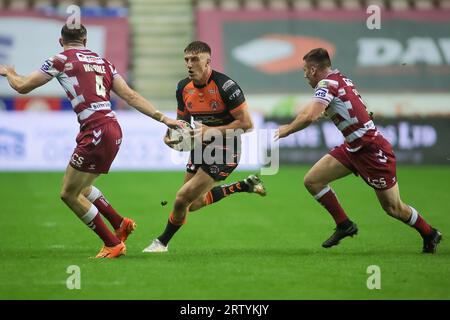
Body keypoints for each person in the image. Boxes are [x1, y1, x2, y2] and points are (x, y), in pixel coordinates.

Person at [0, 24, 178, 258]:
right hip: (113, 128)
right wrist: (163, 117)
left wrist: (10, 73)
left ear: (60, 41)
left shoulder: (60, 59)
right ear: (85, 41)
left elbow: (22, 86)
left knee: (69, 194)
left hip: (94, 129)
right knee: (82, 187)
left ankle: (112, 243)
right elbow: (131, 96)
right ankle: (119, 223)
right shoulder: (103, 62)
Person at [275, 48, 442, 253]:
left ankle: (430, 233)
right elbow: (310, 110)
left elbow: (310, 116)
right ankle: (344, 225)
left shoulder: (326, 84)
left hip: (371, 150)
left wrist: (287, 131)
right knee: (313, 180)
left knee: (393, 208)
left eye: (304, 70)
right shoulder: (338, 79)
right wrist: (291, 124)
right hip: (353, 147)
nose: (304, 75)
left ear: (312, 69)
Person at [143, 41, 266, 253]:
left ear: (208, 61)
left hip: (226, 150)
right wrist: (171, 135)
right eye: (187, 60)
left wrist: (211, 131)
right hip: (200, 147)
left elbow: (247, 124)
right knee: (193, 204)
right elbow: (181, 120)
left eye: (195, 60)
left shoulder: (226, 87)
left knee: (182, 198)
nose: (190, 64)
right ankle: (242, 186)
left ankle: (161, 242)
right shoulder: (183, 87)